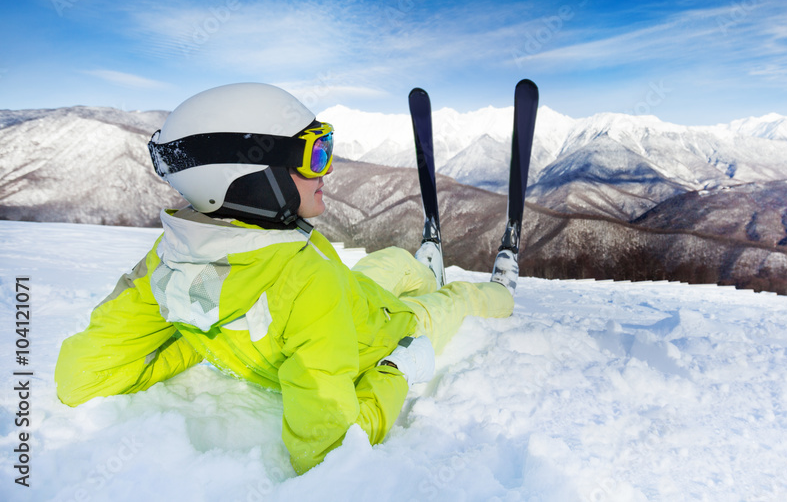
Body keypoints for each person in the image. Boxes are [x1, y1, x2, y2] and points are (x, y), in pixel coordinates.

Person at [54, 82, 515, 475]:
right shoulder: (307, 281)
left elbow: (80, 378)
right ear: (254, 176)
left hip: (349, 294)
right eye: (315, 155)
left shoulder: (167, 262)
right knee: (456, 299)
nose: (328, 169)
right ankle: (498, 290)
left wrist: (197, 331)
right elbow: (326, 449)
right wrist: (396, 371)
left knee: (392, 260)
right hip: (380, 323)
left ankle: (423, 266)